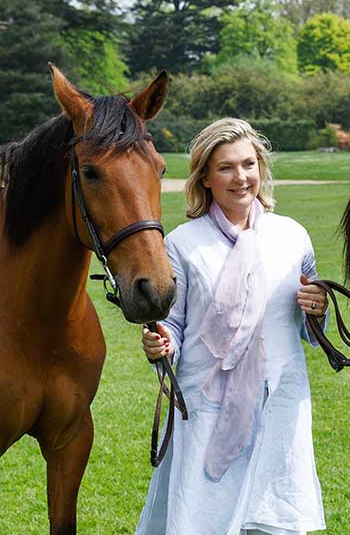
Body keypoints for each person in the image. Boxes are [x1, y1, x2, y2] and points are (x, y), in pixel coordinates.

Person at [136, 118, 329, 535]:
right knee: (203, 517)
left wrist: (317, 309)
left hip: (280, 399)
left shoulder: (293, 236)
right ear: (205, 177)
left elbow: (310, 328)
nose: (241, 177)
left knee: (273, 515)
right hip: (207, 407)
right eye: (226, 167)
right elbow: (172, 323)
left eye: (248, 164)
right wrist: (161, 342)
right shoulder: (182, 244)